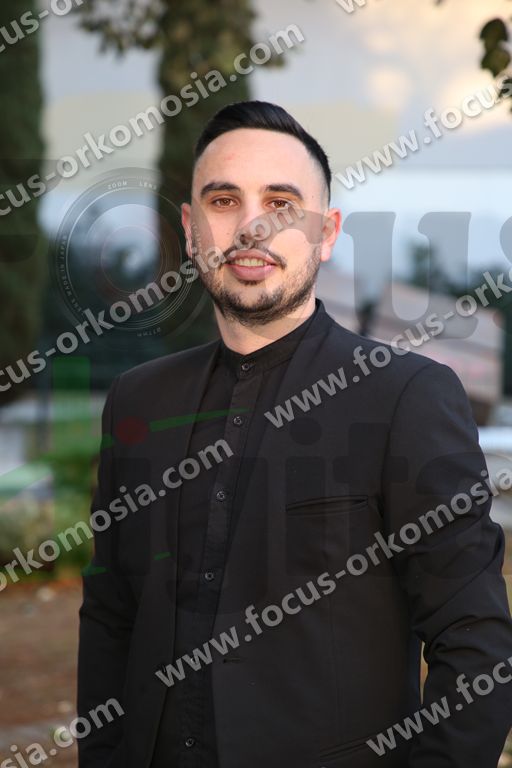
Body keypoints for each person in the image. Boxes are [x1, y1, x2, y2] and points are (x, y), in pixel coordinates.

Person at [77, 100, 512, 768]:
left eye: (281, 203)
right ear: (190, 230)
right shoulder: (138, 401)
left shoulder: (406, 398)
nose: (251, 226)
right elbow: (110, 617)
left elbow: (476, 643)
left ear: (326, 232)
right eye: (224, 200)